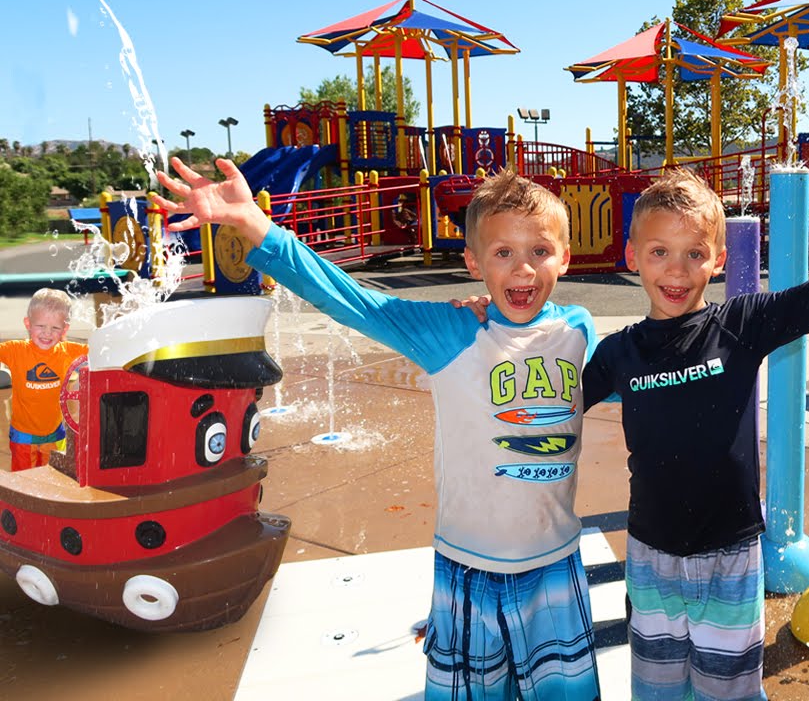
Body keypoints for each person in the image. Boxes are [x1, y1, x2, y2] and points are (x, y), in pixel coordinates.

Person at [459, 119, 809, 699]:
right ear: (633, 256)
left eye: (693, 254)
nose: (676, 270)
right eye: (659, 252)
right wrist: (494, 317)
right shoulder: (619, 351)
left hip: (729, 556)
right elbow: (550, 404)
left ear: (719, 260)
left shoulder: (741, 325)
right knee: (656, 691)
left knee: (726, 691)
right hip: (651, 556)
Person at [157, 158, 602, 701]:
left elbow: (639, 378)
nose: (523, 270)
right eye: (503, 253)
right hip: (468, 566)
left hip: (555, 564)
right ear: (473, 261)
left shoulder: (578, 330)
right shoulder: (451, 330)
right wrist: (255, 226)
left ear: (565, 257)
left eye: (539, 251)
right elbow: (352, 301)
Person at [1, 288, 89, 472]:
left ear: (64, 330)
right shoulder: (15, 350)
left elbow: (100, 350)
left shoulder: (68, 351)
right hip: (23, 436)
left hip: (55, 434)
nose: (47, 333)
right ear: (28, 323)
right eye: (40, 326)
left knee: (52, 476)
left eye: (55, 328)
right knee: (23, 480)